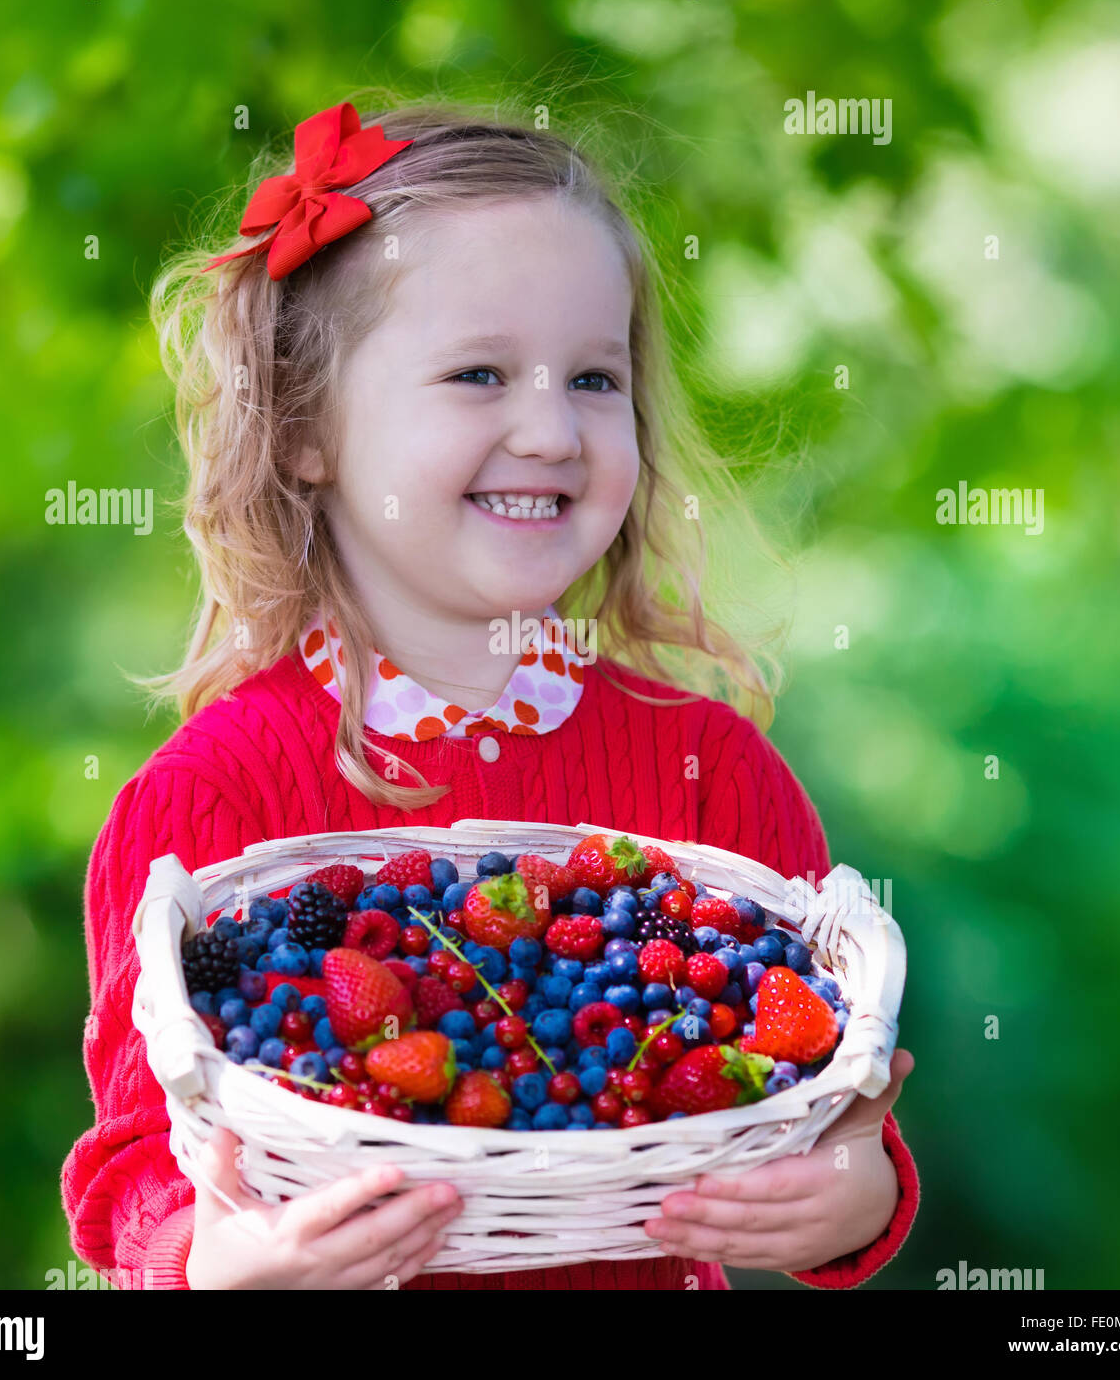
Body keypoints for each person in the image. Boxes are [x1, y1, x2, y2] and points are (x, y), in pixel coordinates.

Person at [61, 99, 919, 1290]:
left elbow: (838, 1103)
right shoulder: (207, 799)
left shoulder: (710, 769)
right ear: (305, 430)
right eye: (477, 372)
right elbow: (137, 1173)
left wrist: (854, 1199)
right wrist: (211, 1263)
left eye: (593, 378)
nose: (549, 428)